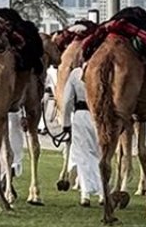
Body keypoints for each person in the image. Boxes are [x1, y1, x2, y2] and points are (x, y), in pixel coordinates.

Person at [59, 62, 101, 207]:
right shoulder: (104, 70)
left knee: (83, 155)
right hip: (99, 116)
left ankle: (85, 194)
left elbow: (67, 100)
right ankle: (102, 193)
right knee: (99, 154)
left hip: (81, 115)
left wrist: (65, 124)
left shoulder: (76, 73)